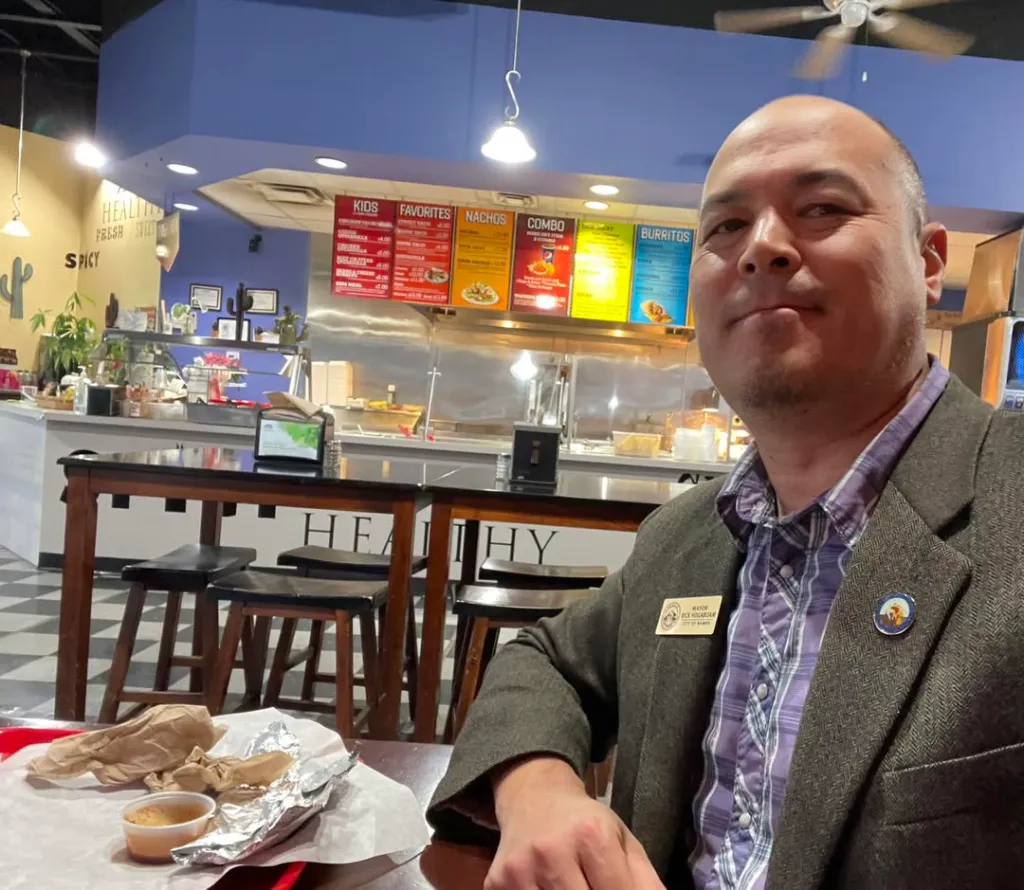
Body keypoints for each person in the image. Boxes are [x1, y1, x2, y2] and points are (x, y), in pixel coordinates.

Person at [427, 94, 1024, 890]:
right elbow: (548, 662)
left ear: (928, 261)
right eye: (725, 228)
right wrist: (538, 789)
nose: (764, 248)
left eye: (821, 208)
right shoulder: (686, 536)